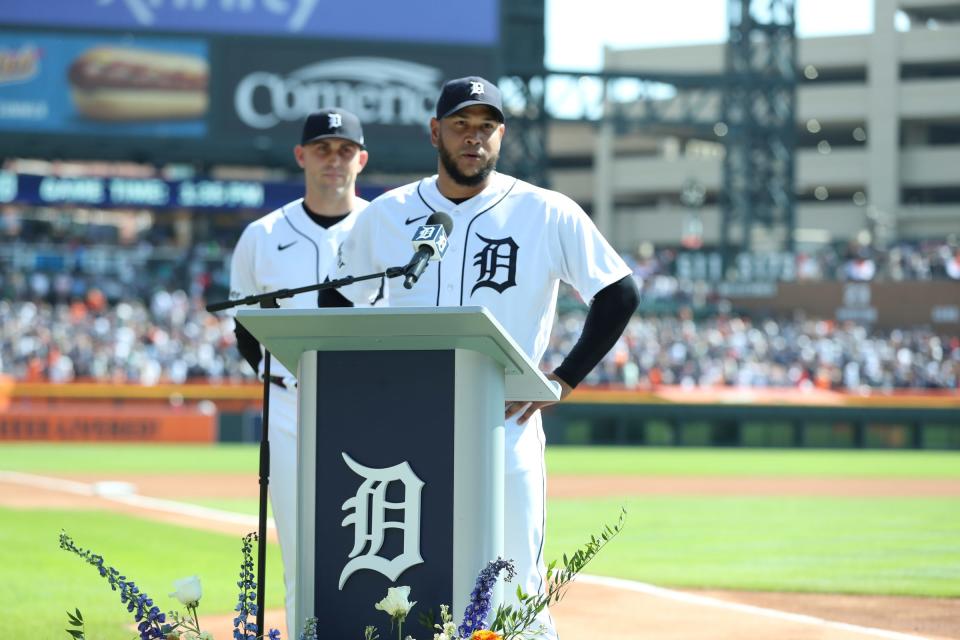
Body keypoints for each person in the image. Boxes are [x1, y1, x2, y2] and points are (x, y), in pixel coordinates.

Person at [328, 77, 639, 639]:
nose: (475, 139)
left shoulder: (545, 211)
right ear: (435, 132)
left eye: (487, 127)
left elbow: (619, 292)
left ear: (502, 135)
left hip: (504, 423)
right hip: (406, 429)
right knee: (409, 583)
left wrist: (562, 380)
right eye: (461, 126)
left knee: (517, 588)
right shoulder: (389, 213)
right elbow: (335, 300)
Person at [227, 107, 369, 636]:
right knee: (301, 543)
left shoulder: (387, 228)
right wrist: (283, 374)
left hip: (372, 403)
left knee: (376, 537)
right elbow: (245, 329)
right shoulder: (262, 235)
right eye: (323, 148)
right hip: (289, 402)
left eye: (344, 149)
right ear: (301, 155)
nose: (334, 159)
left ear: (362, 158)